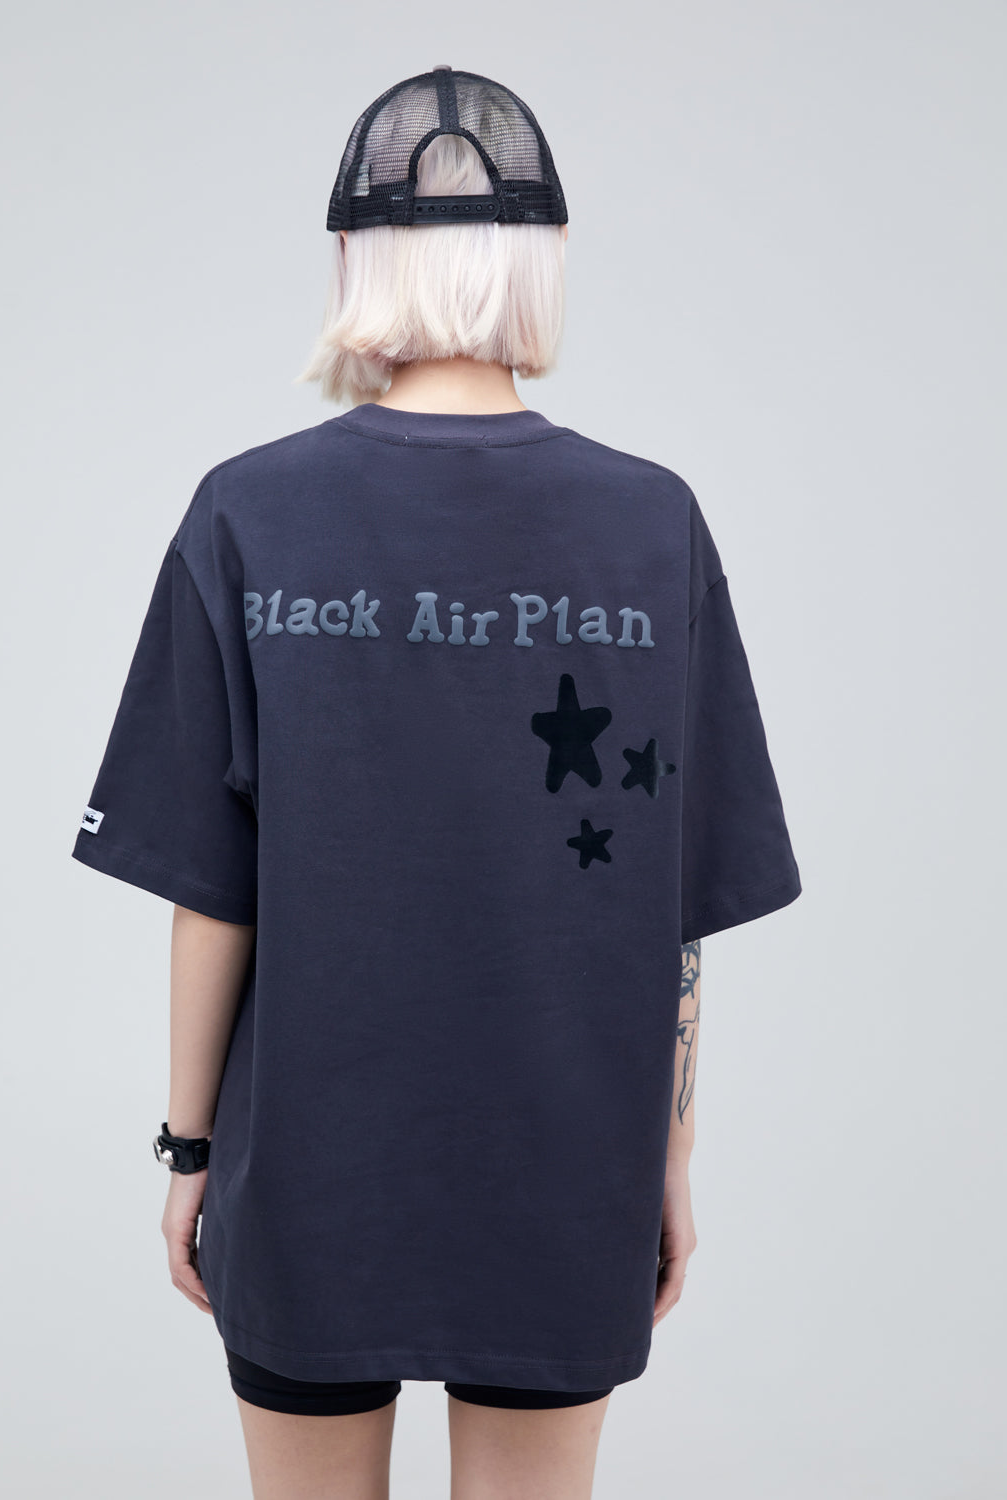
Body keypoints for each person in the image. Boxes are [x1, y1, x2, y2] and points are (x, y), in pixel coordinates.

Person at [72, 67, 802, 1500]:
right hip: (568, 1159)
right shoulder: (652, 523)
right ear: (548, 257)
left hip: (310, 1166)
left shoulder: (248, 510)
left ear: (351, 256)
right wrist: (666, 1152)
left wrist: (189, 1148)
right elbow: (667, 896)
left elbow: (212, 894)